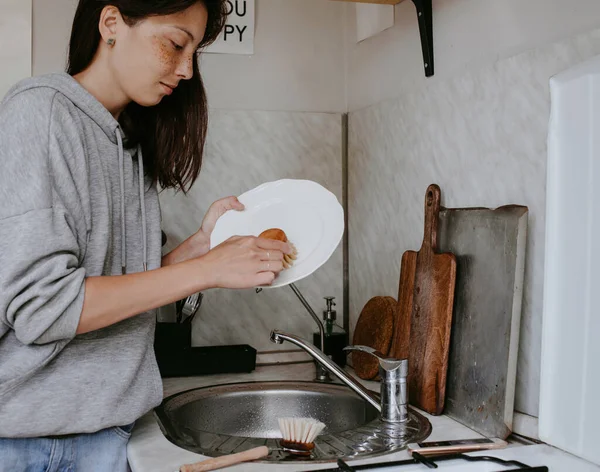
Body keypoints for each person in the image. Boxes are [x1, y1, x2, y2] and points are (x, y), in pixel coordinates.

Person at [0, 1, 292, 470]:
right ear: (111, 24)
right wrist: (205, 270)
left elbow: (120, 290)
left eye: (194, 52)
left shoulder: (128, 140)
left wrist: (200, 247)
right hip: (38, 446)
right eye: (176, 44)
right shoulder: (41, 114)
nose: (187, 70)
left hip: (108, 432)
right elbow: (43, 308)